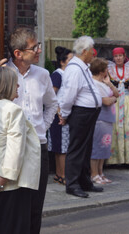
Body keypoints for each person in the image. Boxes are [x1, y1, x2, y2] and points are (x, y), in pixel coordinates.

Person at [7, 27, 58, 234]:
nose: (39, 50)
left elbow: (52, 105)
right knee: (12, 203)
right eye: (34, 47)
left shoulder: (43, 74)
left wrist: (42, 128)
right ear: (18, 53)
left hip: (37, 147)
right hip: (12, 149)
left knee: (35, 205)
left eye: (38, 46)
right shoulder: (4, 74)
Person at [0, 66, 41, 234]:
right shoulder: (13, 110)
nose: (18, 87)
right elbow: (16, 148)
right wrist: (3, 179)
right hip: (9, 183)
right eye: (15, 83)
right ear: (7, 85)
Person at [59, 36, 103, 198]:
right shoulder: (74, 68)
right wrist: (64, 114)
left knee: (86, 148)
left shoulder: (82, 66)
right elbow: (69, 94)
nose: (93, 53)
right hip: (80, 113)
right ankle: (72, 184)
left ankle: (85, 181)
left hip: (89, 112)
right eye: (92, 50)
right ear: (84, 51)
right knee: (77, 149)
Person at [107, 47, 129, 166]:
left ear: (124, 56)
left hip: (127, 101)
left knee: (128, 127)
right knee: (115, 127)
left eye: (120, 56)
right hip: (114, 102)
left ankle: (128, 158)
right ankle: (115, 159)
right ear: (113, 58)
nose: (118, 58)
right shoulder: (109, 71)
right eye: (116, 56)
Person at [90, 57, 119, 184]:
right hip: (99, 119)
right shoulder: (94, 83)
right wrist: (113, 99)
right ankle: (94, 174)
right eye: (106, 68)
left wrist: (109, 84)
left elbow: (117, 94)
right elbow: (106, 101)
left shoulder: (103, 83)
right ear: (101, 71)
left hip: (107, 119)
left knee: (104, 147)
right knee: (97, 147)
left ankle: (101, 172)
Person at [48, 46, 73, 185]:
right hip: (59, 116)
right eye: (70, 59)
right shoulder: (58, 75)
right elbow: (52, 97)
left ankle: (59, 175)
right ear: (62, 62)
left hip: (64, 115)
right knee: (61, 149)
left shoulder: (67, 74)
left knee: (61, 148)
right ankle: (62, 175)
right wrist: (59, 113)